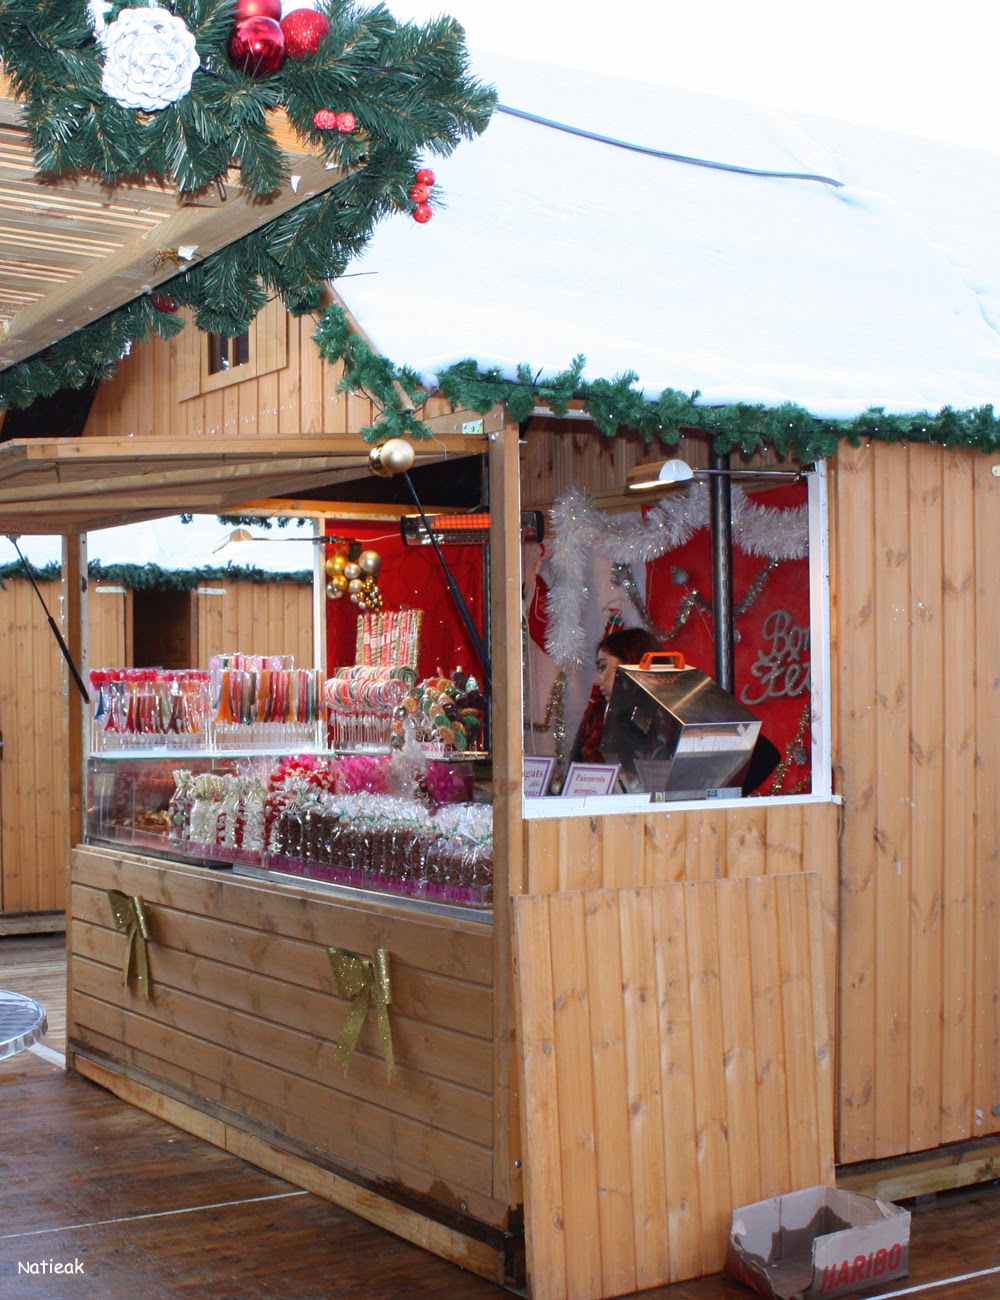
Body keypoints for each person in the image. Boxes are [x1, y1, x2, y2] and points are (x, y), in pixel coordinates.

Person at [569, 626, 664, 763]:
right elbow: (573, 777)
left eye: (603, 667)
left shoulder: (665, 718)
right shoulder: (596, 715)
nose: (596, 680)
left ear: (631, 667)